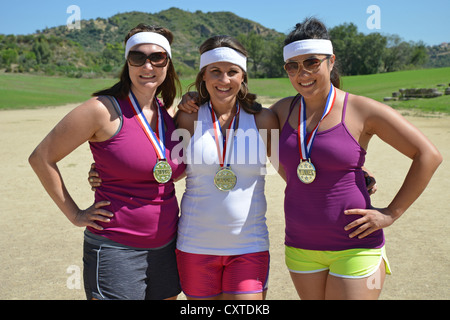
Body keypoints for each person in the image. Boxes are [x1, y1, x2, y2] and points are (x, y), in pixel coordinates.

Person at [270, 18, 442, 299]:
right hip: (301, 246)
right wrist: (197, 97)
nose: (302, 73)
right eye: (293, 66)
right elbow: (237, 116)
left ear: (330, 61)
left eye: (312, 62)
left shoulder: (361, 109)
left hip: (355, 246)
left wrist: (391, 213)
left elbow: (428, 155)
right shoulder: (281, 111)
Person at [29, 24, 186, 300]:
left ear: (168, 63)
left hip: (167, 248)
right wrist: (76, 214)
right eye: (137, 57)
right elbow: (41, 158)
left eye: (157, 57)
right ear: (127, 63)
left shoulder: (167, 112)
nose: (147, 65)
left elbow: (167, 171)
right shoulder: (101, 110)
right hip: (116, 249)